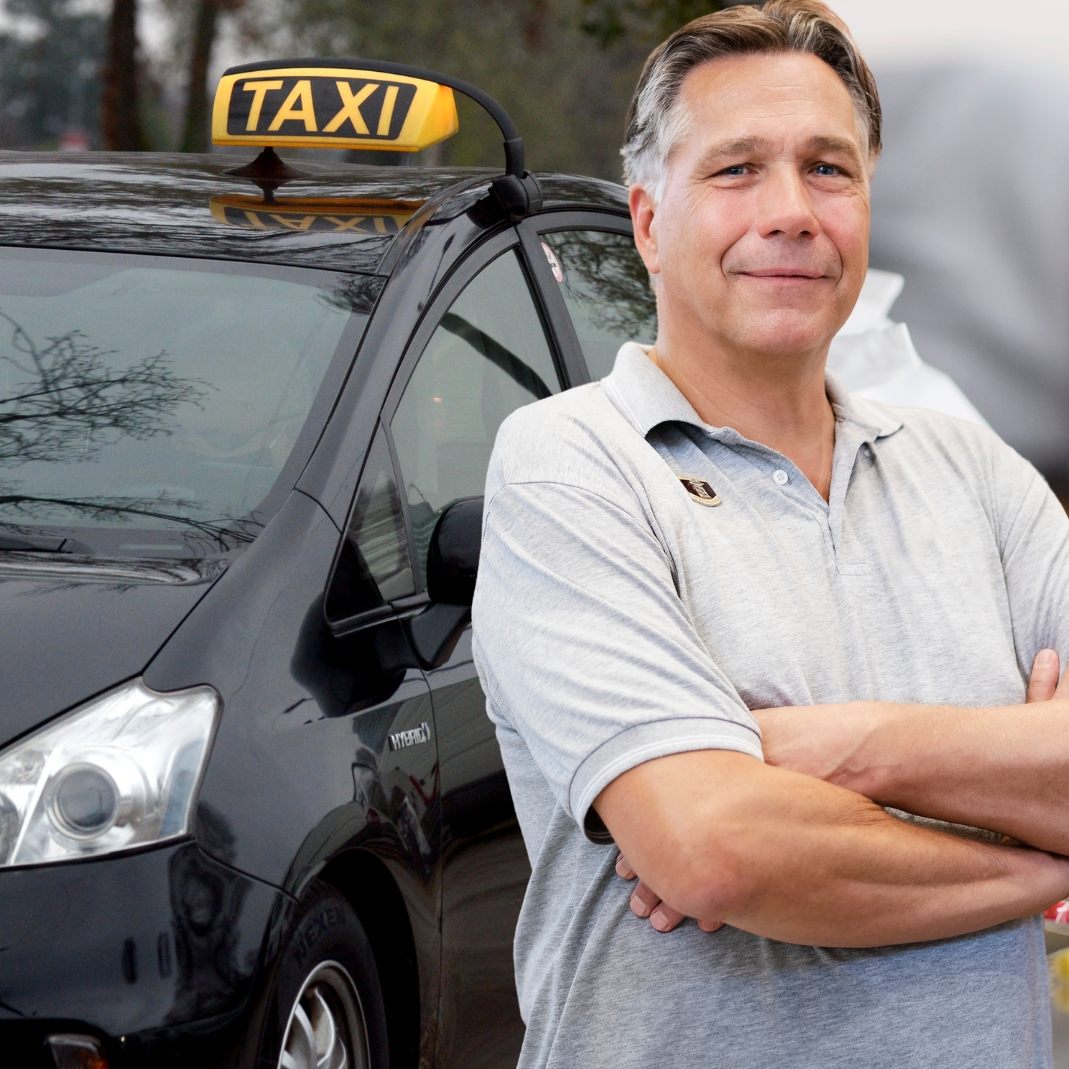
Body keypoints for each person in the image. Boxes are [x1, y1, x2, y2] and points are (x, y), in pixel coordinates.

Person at [471, 2, 1069, 1066]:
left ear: (868, 207)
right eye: (737, 168)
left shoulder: (977, 474)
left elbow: (734, 833)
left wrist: (851, 749)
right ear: (649, 222)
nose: (790, 210)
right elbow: (715, 851)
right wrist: (1041, 852)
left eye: (827, 169)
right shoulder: (571, 464)